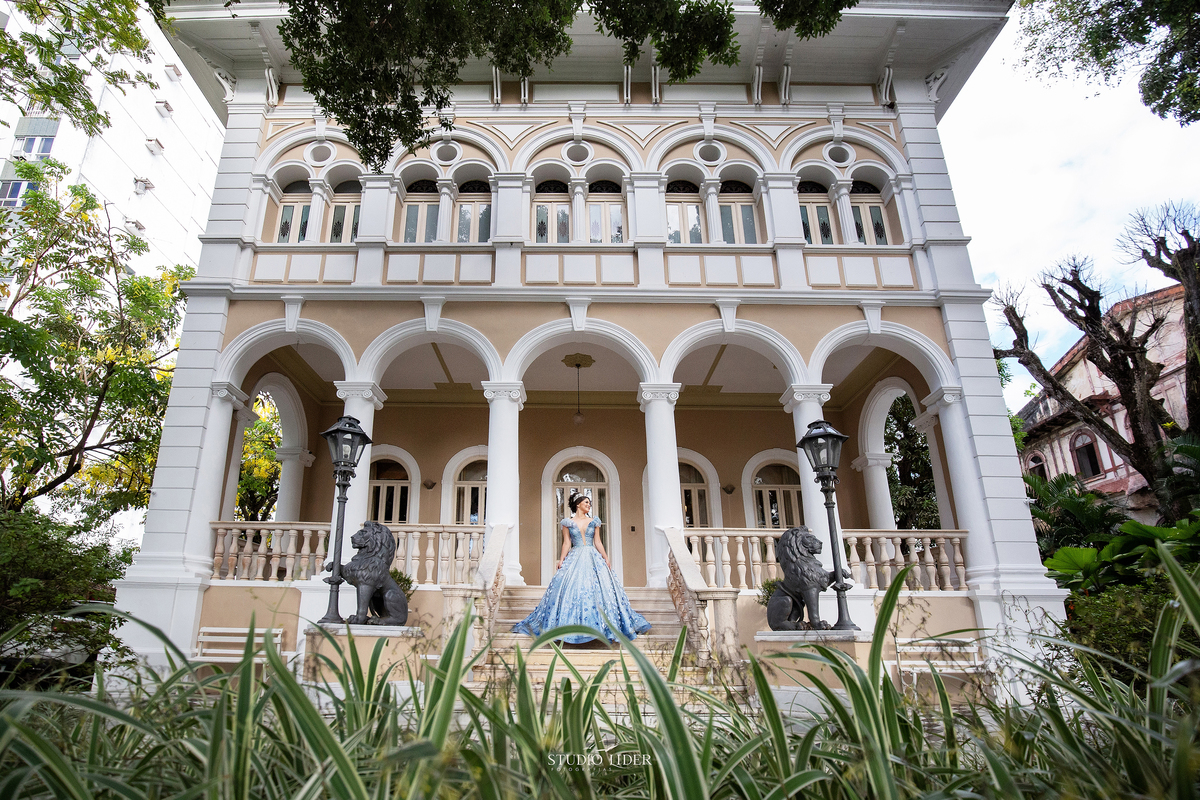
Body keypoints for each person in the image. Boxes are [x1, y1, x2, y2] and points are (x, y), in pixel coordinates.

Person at [511, 493, 651, 644]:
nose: (589, 505)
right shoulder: (567, 523)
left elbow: (598, 542)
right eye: (586, 502)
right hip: (575, 555)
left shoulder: (594, 521)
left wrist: (605, 557)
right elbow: (566, 543)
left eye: (589, 503)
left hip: (593, 556)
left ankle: (603, 628)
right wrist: (562, 559)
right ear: (578, 504)